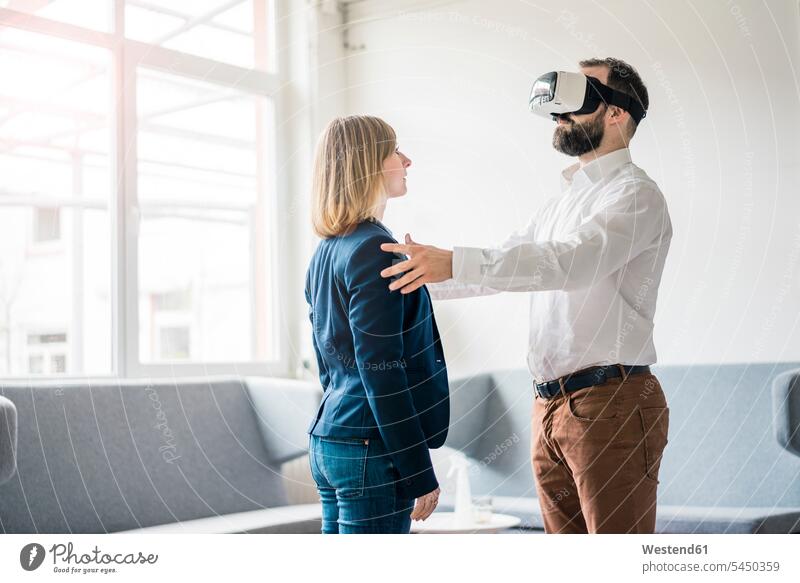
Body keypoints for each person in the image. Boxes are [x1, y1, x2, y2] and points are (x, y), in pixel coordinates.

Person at [379, 57, 672, 534]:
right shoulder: (562, 203)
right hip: (548, 406)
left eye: (577, 98)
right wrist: (416, 277)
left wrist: (453, 259)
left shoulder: (636, 196)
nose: (559, 115)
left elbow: (571, 263)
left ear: (617, 112)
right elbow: (501, 265)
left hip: (611, 403)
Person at [305, 115, 449, 534]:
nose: (407, 160)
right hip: (370, 448)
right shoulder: (374, 249)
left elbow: (329, 364)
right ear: (367, 163)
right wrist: (419, 470)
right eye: (394, 151)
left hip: (331, 438)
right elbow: (381, 372)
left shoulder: (327, 250)